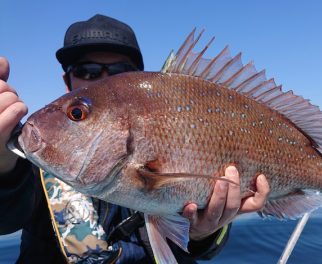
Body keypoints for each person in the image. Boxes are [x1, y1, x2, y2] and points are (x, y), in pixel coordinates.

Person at [0, 14, 270, 263]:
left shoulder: (180, 128)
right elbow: (6, 217)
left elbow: (204, 248)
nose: (100, 81)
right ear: (67, 79)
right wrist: (2, 160)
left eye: (119, 71)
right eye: (87, 71)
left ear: (138, 77)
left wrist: (203, 233)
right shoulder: (32, 160)